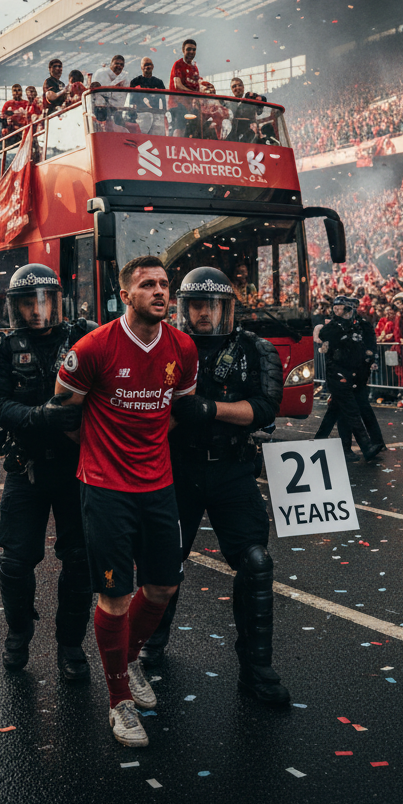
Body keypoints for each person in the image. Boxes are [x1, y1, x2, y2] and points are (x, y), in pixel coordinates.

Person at [55, 255, 198, 748]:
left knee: (162, 588)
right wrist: (102, 450)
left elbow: (176, 409)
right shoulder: (94, 347)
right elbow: (64, 413)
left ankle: (130, 660)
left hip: (158, 485)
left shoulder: (183, 347)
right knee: (115, 596)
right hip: (106, 487)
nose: (160, 292)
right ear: (125, 295)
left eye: (165, 284)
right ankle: (118, 702)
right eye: (148, 285)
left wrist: (146, 444)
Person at [140, 267, 289, 704]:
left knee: (256, 562)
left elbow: (266, 407)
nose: (204, 313)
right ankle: (151, 643)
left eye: (212, 305)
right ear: (184, 308)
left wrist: (210, 409)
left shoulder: (254, 349)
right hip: (175, 469)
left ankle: (257, 670)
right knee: (162, 559)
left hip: (232, 468)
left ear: (227, 307)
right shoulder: (159, 344)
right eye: (197, 305)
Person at [0, 265, 92, 681]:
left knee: (80, 561)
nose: (37, 309)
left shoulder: (84, 338)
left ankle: (71, 646)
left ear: (59, 302)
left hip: (77, 467)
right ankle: (18, 634)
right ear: (16, 306)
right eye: (28, 302)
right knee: (15, 561)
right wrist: (39, 417)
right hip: (26, 465)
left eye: (44, 300)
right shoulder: (2, 347)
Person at [319, 295, 383, 461]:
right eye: (336, 308)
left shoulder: (359, 325)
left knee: (336, 412)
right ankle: (366, 447)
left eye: (341, 308)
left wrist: (369, 361)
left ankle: (323, 442)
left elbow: (366, 347)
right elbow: (324, 335)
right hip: (338, 374)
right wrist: (341, 323)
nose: (338, 311)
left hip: (354, 375)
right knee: (351, 411)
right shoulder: (335, 326)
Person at [168, 39, 200, 135]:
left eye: (194, 49)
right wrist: (194, 93)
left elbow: (197, 87)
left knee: (193, 131)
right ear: (183, 50)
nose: (191, 52)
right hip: (177, 105)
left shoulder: (194, 68)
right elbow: (178, 85)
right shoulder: (178, 64)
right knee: (179, 130)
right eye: (188, 49)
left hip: (189, 107)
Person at [128, 57, 166, 132]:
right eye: (145, 65)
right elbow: (131, 102)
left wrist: (164, 113)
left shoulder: (159, 82)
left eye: (149, 64)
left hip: (156, 116)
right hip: (140, 116)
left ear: (153, 66)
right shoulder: (135, 82)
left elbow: (164, 100)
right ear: (141, 67)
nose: (147, 67)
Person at [90, 55, 127, 127]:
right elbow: (105, 93)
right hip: (100, 110)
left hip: (117, 111)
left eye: (121, 65)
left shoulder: (124, 78)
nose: (119, 66)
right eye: (117, 63)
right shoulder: (101, 73)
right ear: (111, 64)